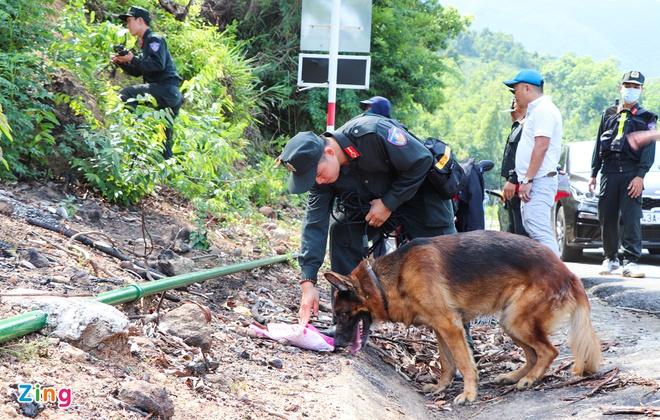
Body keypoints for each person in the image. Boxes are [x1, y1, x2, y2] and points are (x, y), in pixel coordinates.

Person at [278, 115, 456, 326]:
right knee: (342, 231)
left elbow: (421, 160)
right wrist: (308, 282)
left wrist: (389, 202)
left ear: (328, 152)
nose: (317, 181)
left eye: (317, 174)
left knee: (445, 263)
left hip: (420, 199)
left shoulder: (372, 132)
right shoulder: (320, 176)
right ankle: (350, 322)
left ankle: (462, 340)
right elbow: (314, 223)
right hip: (372, 207)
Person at [589, 71, 657, 277]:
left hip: (631, 172)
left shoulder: (648, 118)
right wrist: (593, 172)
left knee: (631, 217)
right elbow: (598, 144)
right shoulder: (608, 113)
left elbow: (649, 148)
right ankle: (610, 258)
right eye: (628, 85)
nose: (631, 90)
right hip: (609, 170)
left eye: (636, 87)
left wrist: (640, 175)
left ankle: (631, 260)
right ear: (620, 86)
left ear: (641, 90)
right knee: (606, 216)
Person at [112, 6, 183, 159]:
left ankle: (131, 137)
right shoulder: (146, 43)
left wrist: (132, 59)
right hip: (170, 94)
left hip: (165, 89)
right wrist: (122, 62)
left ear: (140, 20)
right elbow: (140, 71)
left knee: (126, 94)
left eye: (129, 20)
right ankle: (167, 171)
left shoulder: (154, 39)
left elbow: (157, 65)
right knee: (165, 137)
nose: (127, 25)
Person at [503, 69, 562, 255]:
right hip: (535, 180)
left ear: (527, 88)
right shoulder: (535, 111)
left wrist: (528, 179)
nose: (515, 95)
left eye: (516, 90)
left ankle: (558, 280)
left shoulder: (544, 110)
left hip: (539, 180)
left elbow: (541, 146)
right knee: (533, 230)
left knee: (540, 233)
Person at [500, 98, 529, 236]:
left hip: (519, 184)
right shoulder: (517, 127)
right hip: (512, 186)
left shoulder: (526, 127)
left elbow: (522, 157)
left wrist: (513, 179)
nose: (511, 115)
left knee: (521, 230)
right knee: (513, 229)